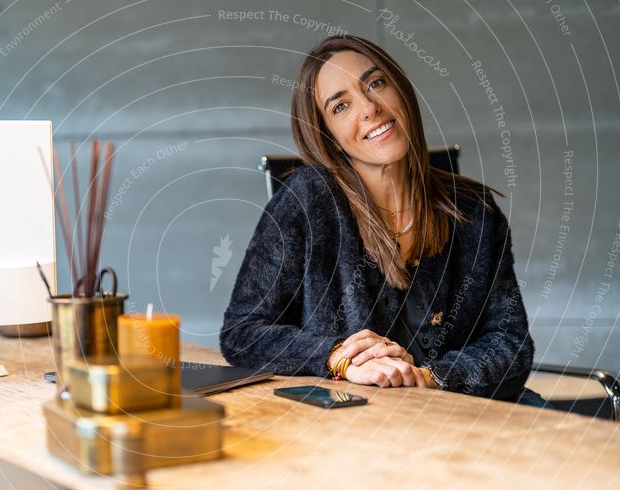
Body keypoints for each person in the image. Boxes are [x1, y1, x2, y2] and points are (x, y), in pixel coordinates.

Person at [220, 35, 545, 405]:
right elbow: (243, 333)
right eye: (341, 106)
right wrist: (338, 356)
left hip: (464, 416)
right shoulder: (305, 201)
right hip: (354, 430)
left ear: (401, 91)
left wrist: (428, 378)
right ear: (330, 137)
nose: (369, 108)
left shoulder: (474, 209)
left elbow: (510, 342)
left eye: (376, 84)